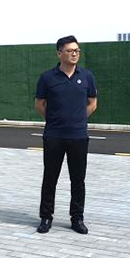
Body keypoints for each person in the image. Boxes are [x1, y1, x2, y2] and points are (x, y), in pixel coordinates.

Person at [34, 35, 97, 235]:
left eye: (77, 50)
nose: (74, 54)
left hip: (78, 136)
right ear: (59, 53)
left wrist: (78, 119)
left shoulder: (86, 76)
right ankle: (46, 217)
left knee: (78, 180)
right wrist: (55, 120)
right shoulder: (47, 78)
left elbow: (92, 103)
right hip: (54, 136)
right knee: (50, 178)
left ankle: (77, 218)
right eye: (70, 51)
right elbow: (39, 105)